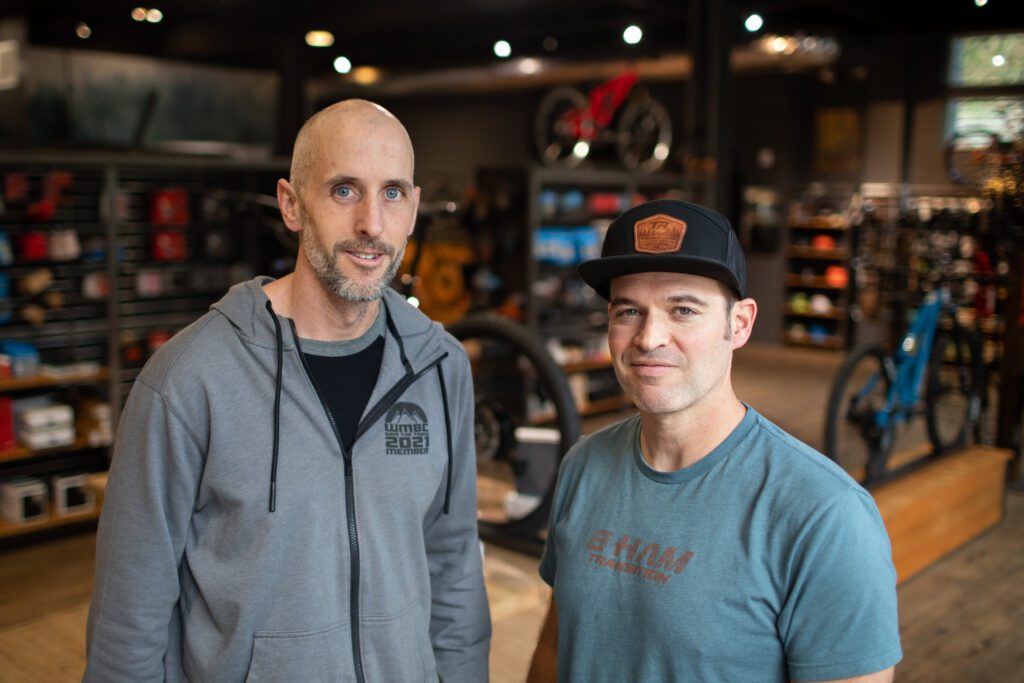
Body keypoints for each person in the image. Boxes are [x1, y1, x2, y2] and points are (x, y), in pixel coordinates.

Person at [85, 99, 491, 682]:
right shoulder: (186, 382)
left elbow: (452, 566)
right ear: (291, 204)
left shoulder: (440, 365)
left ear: (414, 207)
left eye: (393, 193)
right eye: (345, 191)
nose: (372, 224)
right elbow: (129, 619)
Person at [527, 199, 901, 682]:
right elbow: (558, 643)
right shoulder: (584, 464)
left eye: (683, 309)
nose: (648, 337)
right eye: (627, 311)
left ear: (739, 323)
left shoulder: (824, 513)